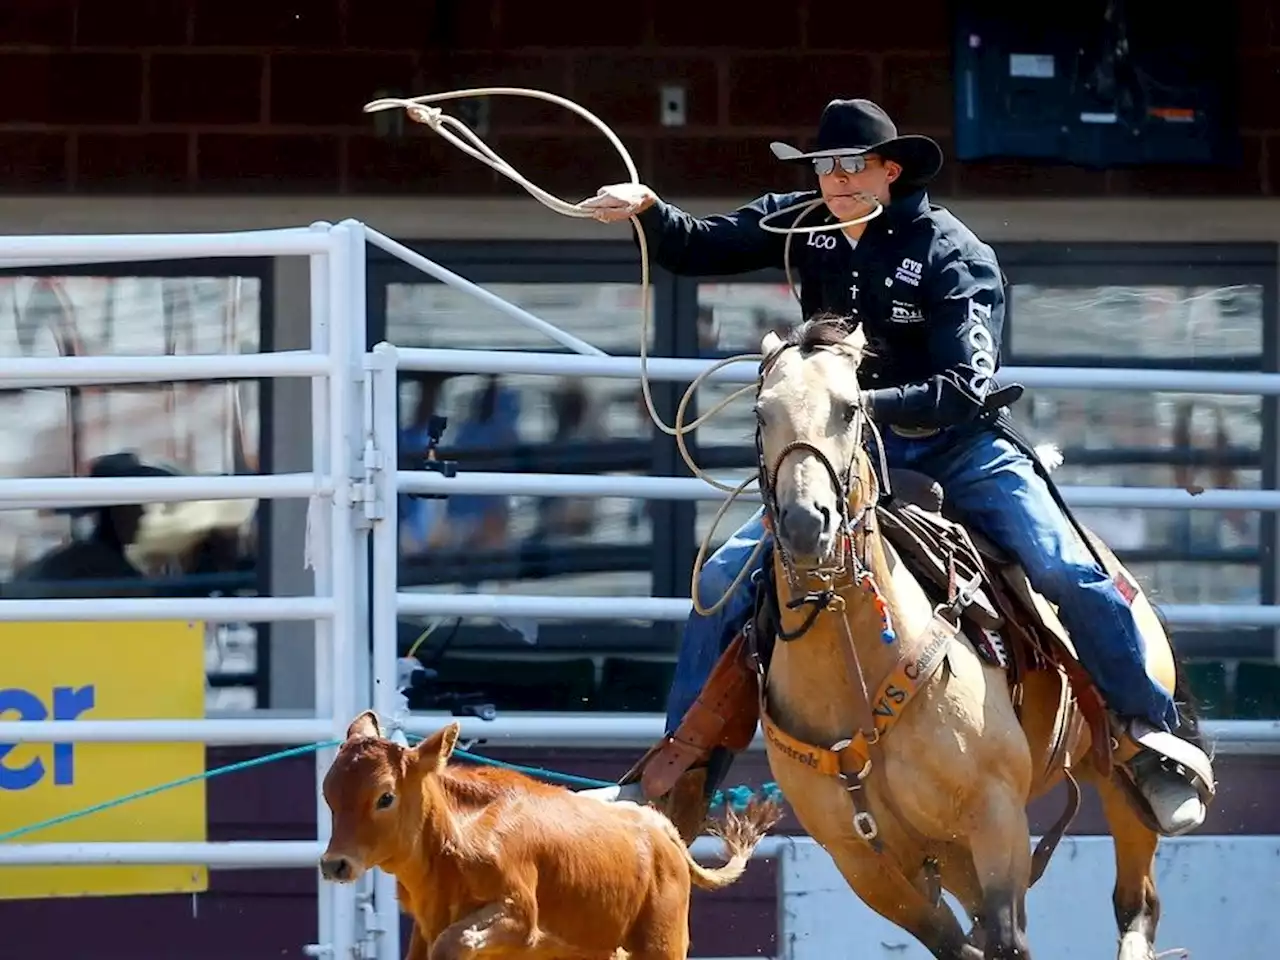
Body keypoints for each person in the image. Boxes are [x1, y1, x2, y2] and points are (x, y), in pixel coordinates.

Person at [581, 98, 1213, 839]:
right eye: (825, 166)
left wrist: (850, 400)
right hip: (849, 455)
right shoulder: (801, 222)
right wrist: (648, 212)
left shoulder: (952, 253)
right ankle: (680, 774)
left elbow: (964, 387)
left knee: (1066, 568)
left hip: (957, 446)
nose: (837, 180)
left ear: (891, 170)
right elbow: (698, 245)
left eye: (853, 166)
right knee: (722, 580)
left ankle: (1150, 742)